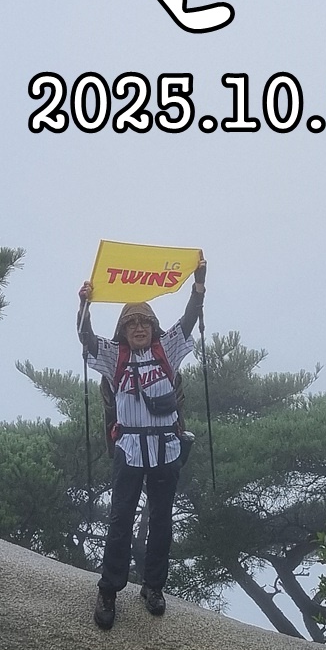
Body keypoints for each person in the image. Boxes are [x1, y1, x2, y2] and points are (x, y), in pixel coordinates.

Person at [78, 260, 207, 630]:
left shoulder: (167, 350)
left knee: (162, 521)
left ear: (153, 327)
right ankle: (108, 590)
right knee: (120, 520)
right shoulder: (114, 356)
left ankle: (153, 587)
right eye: (131, 323)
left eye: (144, 323)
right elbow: (87, 339)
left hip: (166, 447)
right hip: (130, 449)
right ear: (123, 329)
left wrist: (198, 287)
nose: (138, 328)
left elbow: (188, 321)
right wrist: (84, 305)